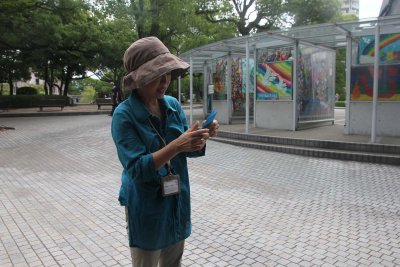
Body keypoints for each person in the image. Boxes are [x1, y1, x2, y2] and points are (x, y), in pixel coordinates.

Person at [111, 36, 219, 267]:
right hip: (146, 204)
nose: (164, 82)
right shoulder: (124, 115)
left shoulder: (171, 104)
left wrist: (199, 138)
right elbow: (137, 169)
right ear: (139, 79)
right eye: (155, 76)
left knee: (173, 262)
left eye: (167, 74)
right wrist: (177, 145)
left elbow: (185, 150)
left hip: (175, 201)